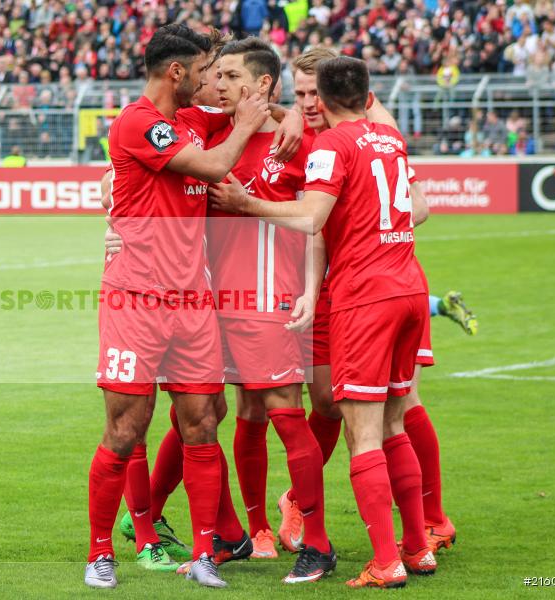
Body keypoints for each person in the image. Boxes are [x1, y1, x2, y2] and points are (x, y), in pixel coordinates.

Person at [209, 56, 437, 588]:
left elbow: (312, 218)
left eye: (313, 95)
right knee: (390, 420)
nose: (306, 104)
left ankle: (384, 560)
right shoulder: (388, 136)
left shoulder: (332, 144)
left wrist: (245, 203)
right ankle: (418, 545)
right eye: (299, 95)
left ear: (326, 97)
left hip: (361, 295)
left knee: (363, 431)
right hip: (405, 285)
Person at [84, 23, 269, 590]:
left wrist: (271, 114)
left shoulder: (186, 121)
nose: (212, 81)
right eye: (204, 71)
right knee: (127, 426)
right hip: (136, 299)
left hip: (193, 303)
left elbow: (266, 112)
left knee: (201, 424)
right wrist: (245, 127)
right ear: (175, 73)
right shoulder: (139, 122)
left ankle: (205, 552)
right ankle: (99, 554)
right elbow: (215, 168)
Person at [205, 37, 335, 584]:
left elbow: (316, 222)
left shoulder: (301, 145)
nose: (219, 85)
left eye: (231, 76)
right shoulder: (213, 133)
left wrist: (290, 119)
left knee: (286, 411)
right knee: (246, 413)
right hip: (218, 301)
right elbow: (139, 140)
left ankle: (318, 542)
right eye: (218, 76)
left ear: (260, 84)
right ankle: (256, 530)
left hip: (270, 298)